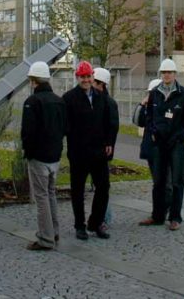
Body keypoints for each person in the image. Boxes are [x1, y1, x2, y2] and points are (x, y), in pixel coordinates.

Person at [138, 58, 184, 231]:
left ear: (175, 74)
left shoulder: (183, 94)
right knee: (159, 182)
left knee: (177, 182)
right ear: (161, 74)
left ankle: (175, 217)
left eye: (169, 72)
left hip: (176, 144)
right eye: (164, 73)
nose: (167, 75)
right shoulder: (155, 93)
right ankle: (157, 215)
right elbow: (149, 116)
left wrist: (179, 138)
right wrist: (154, 132)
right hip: (159, 144)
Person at [63, 60, 117, 241]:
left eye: (88, 76)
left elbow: (109, 122)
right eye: (82, 77)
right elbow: (66, 126)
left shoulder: (101, 97)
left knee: (103, 187)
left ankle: (96, 222)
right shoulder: (69, 98)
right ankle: (80, 225)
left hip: (98, 152)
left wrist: (109, 142)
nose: (85, 80)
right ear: (77, 77)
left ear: (92, 77)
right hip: (79, 153)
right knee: (77, 190)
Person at [20, 60, 67, 251]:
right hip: (54, 155)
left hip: (38, 156)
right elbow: (65, 127)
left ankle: (46, 238)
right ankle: (53, 231)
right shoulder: (59, 100)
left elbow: (28, 132)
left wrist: (28, 151)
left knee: (41, 198)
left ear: (33, 81)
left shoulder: (32, 102)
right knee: (51, 194)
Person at [91, 67, 119, 229]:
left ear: (101, 84)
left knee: (101, 186)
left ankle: (104, 218)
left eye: (93, 81)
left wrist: (108, 146)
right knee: (99, 186)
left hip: (101, 152)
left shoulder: (108, 103)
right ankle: (102, 217)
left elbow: (113, 127)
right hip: (93, 150)